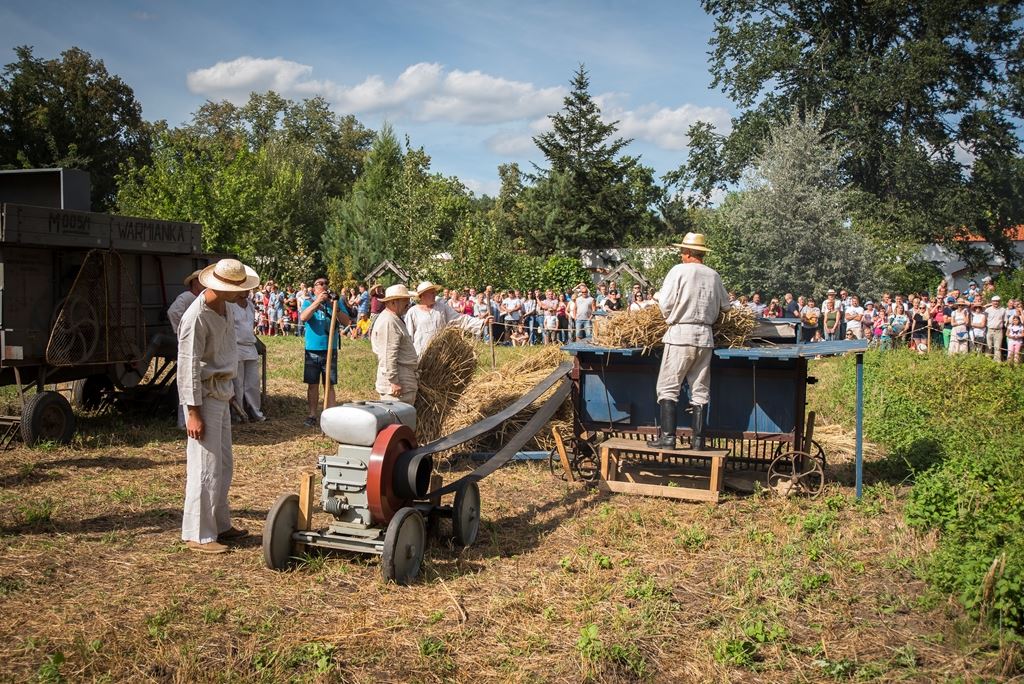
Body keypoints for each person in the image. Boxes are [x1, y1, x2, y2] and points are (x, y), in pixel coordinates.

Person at [177, 258, 259, 554]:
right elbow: (187, 367)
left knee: (222, 464)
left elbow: (226, 351)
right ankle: (197, 534)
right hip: (204, 397)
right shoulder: (196, 317)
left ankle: (220, 524)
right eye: (238, 289)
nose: (243, 294)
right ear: (220, 287)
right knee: (204, 465)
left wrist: (231, 390)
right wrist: (193, 412)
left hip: (221, 392)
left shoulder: (226, 308)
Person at [649, 233, 730, 451]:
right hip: (705, 337)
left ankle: (668, 439)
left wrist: (663, 304)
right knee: (700, 389)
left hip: (679, 335)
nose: (681, 255)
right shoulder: (714, 275)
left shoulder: (678, 271)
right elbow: (726, 307)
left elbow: (666, 304)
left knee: (668, 387)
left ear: (687, 253)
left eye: (682, 252)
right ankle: (698, 441)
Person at [299, 277, 350, 428]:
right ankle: (312, 415)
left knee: (329, 384)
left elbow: (346, 321)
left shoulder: (335, 302)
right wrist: (317, 302)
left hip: (330, 349)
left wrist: (335, 307)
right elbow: (303, 317)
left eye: (326, 283)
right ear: (314, 288)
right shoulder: (309, 301)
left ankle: (330, 416)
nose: (324, 286)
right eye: (320, 284)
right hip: (313, 349)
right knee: (313, 384)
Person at [405, 281, 488, 356]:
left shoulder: (442, 308)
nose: (435, 295)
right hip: (420, 355)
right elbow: (408, 337)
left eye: (435, 292)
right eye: (432, 293)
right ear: (422, 295)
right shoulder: (413, 312)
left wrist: (482, 322)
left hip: (440, 355)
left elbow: (461, 319)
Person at [168, 268, 205, 429]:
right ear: (194, 282)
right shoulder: (186, 297)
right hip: (188, 346)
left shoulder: (201, 299)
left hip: (200, 346)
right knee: (187, 383)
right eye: (201, 281)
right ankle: (183, 421)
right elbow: (173, 313)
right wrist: (184, 333)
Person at [371, 284, 418, 404]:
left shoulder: (393, 318)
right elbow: (387, 354)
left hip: (403, 381)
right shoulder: (389, 321)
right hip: (396, 387)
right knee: (397, 415)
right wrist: (394, 381)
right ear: (393, 302)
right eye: (404, 300)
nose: (408, 303)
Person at [231, 291, 265, 422]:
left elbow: (251, 326)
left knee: (253, 383)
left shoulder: (250, 305)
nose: (246, 291)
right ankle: (239, 415)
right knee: (238, 385)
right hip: (236, 347)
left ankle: (256, 413)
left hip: (250, 347)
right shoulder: (230, 305)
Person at [986, 295, 1007, 361]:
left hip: (999, 331)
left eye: (997, 301)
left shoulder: (1003, 310)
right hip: (989, 330)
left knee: (997, 347)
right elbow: (984, 319)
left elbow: (1005, 321)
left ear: (999, 302)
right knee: (988, 346)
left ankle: (997, 362)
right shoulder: (988, 310)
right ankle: (987, 360)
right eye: (994, 301)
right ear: (991, 302)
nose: (996, 302)